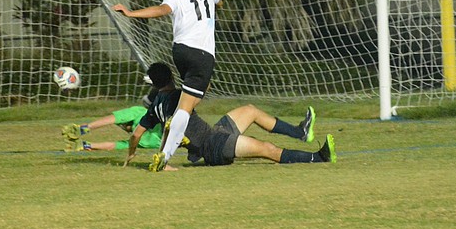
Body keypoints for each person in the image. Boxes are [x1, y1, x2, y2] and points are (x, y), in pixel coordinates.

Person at [113, 0, 222, 172]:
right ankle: (165, 154)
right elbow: (219, 2)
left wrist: (130, 13)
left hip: (180, 51)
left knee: (193, 96)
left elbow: (162, 10)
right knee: (187, 107)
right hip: (202, 54)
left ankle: (175, 125)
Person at [125, 62, 332, 171]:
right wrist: (199, 73)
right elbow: (203, 90)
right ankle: (319, 158)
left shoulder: (154, 107)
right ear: (171, 77)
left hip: (214, 133)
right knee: (267, 148)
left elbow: (136, 135)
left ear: (153, 84)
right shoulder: (179, 96)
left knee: (250, 110)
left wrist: (131, 154)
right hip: (214, 146)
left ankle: (300, 132)